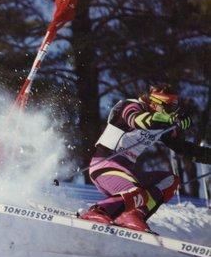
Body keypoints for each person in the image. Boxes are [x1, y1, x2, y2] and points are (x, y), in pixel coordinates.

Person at [80, 84, 211, 232]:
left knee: (170, 181)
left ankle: (133, 214)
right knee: (136, 191)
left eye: (174, 109)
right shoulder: (129, 106)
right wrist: (168, 119)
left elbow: (185, 149)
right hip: (105, 166)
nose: (172, 112)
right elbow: (137, 120)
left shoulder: (161, 126)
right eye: (168, 108)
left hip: (127, 172)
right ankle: (98, 211)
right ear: (154, 103)